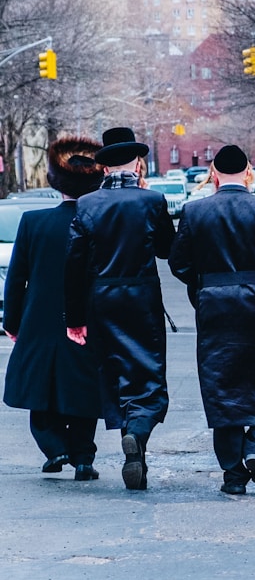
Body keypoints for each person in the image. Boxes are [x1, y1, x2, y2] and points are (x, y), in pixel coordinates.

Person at [169, 144, 255, 495]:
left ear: (213, 174)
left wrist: (202, 287)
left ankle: (233, 473)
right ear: (249, 173)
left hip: (214, 306)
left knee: (221, 384)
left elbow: (178, 263)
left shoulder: (194, 211)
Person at [64, 127, 176, 490]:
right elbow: (165, 249)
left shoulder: (86, 205)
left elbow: (74, 266)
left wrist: (75, 318)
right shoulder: (152, 201)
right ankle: (139, 432)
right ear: (137, 162)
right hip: (141, 297)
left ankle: (135, 449)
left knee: (113, 371)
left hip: (102, 300)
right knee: (148, 371)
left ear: (105, 167)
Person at [3, 137, 104, 481]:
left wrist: (11, 321)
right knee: (83, 388)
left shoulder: (33, 222)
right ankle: (83, 457)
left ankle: (54, 447)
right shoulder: (99, 222)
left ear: (53, 181)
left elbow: (16, 280)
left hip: (39, 318)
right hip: (88, 318)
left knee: (39, 387)